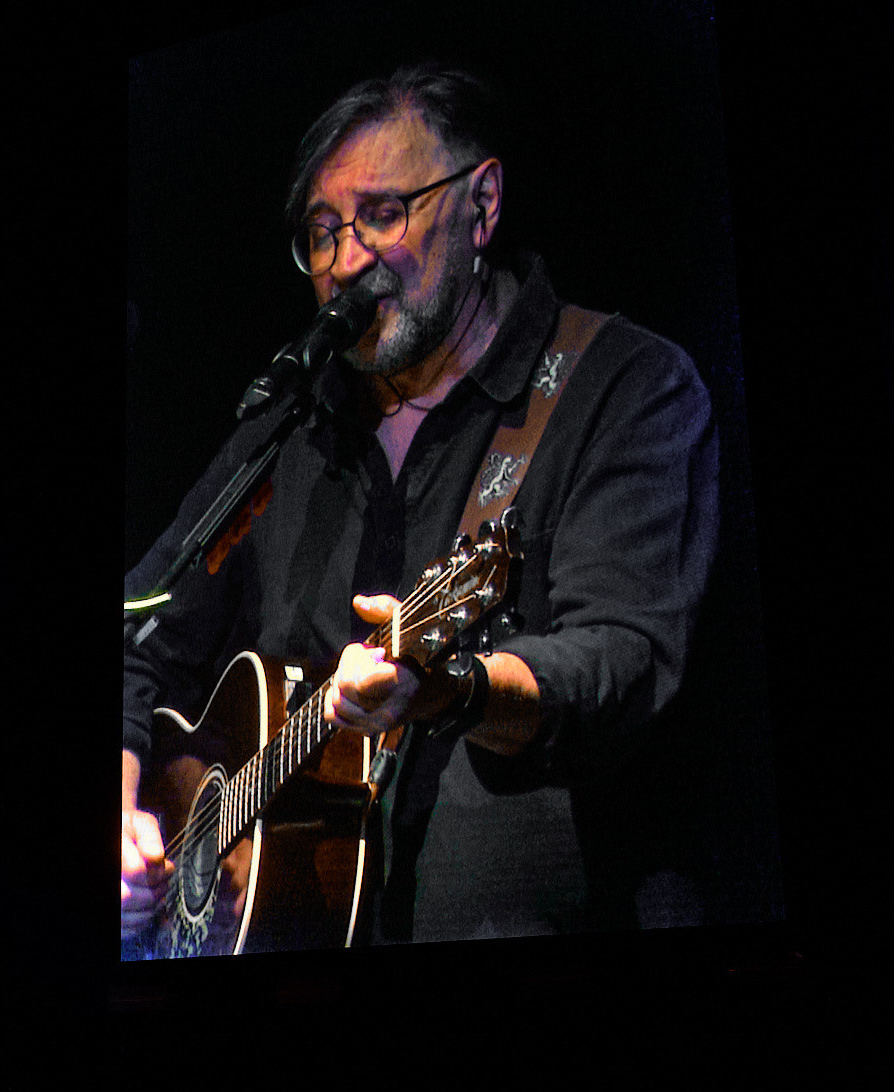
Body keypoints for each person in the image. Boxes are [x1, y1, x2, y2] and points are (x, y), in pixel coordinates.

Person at [122, 63, 717, 946]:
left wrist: (455, 688)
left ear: (482, 205)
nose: (346, 261)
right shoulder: (292, 434)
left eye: (383, 214)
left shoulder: (621, 386)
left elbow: (625, 660)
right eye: (321, 233)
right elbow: (141, 623)